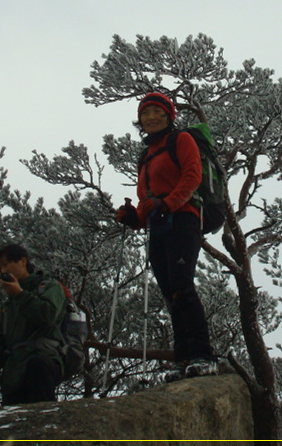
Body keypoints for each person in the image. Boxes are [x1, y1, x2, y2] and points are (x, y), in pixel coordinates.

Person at [115, 91, 218, 381]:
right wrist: (134, 217)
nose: (151, 117)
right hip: (158, 224)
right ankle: (183, 358)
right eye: (145, 114)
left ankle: (202, 355)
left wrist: (168, 204)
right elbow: (145, 198)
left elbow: (192, 176)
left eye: (158, 112)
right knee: (171, 292)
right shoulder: (146, 155)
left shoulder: (181, 140)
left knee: (182, 286)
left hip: (183, 217)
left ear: (170, 116)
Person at [0, 243, 67, 405]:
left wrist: (19, 294)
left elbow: (47, 316)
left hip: (42, 364)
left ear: (23, 261)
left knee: (42, 414)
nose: (3, 271)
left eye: (6, 264)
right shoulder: (7, 308)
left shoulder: (49, 288)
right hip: (13, 376)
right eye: (0, 268)